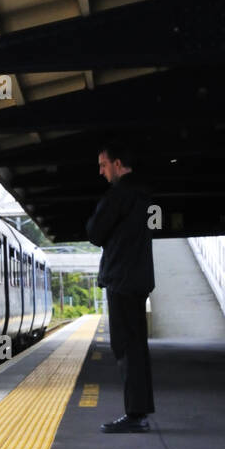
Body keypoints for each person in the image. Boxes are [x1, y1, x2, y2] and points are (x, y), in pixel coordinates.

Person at [86, 141, 155, 433]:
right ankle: (139, 411)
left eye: (103, 165)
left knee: (125, 347)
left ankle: (135, 415)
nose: (101, 171)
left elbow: (94, 232)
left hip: (122, 282)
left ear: (117, 164)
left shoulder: (119, 195)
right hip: (138, 281)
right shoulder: (145, 196)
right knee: (137, 347)